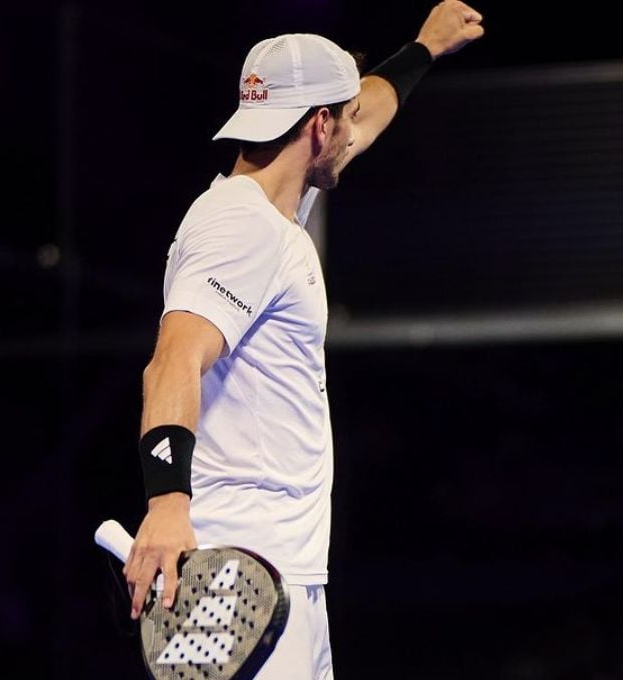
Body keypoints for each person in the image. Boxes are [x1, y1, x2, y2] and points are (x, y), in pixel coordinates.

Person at [121, 4, 484, 678]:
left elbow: (369, 109)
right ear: (319, 126)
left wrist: (424, 47)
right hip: (240, 583)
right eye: (341, 119)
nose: (353, 131)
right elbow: (173, 360)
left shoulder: (277, 206)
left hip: (288, 582)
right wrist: (166, 503)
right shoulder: (239, 226)